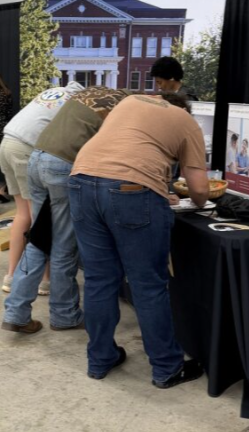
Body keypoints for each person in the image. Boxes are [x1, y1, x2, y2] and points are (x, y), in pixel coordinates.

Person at [68, 93, 209, 388]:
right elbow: (199, 188)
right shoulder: (186, 122)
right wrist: (197, 203)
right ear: (184, 109)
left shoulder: (130, 101)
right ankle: (167, 368)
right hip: (130, 191)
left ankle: (100, 359)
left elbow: (124, 151)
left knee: (98, 279)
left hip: (81, 181)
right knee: (147, 285)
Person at [1, 86, 129, 334]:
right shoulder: (125, 108)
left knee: (39, 238)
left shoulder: (86, 96)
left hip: (36, 159)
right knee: (63, 246)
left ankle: (16, 312)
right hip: (61, 166)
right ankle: (64, 315)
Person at [0, 81, 84, 294]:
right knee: (41, 219)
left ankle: (10, 276)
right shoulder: (74, 104)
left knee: (22, 214)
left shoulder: (52, 93)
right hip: (26, 149)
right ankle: (45, 280)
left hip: (6, 143)